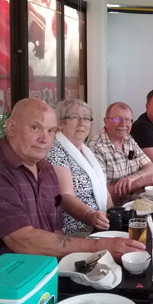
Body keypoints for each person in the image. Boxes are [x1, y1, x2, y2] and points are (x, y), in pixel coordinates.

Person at [0, 98, 145, 304]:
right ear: (11, 128)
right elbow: (23, 241)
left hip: (27, 280)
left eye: (51, 130)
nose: (45, 138)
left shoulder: (44, 168)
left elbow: (55, 232)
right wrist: (101, 246)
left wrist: (93, 262)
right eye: (35, 127)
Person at [46, 99, 113, 236]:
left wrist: (114, 215)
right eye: (75, 117)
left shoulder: (86, 151)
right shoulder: (55, 150)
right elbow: (65, 196)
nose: (82, 123)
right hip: (77, 230)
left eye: (87, 118)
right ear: (60, 123)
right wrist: (90, 215)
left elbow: (102, 188)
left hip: (101, 224)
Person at [87, 102, 153, 199]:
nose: (123, 124)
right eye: (117, 119)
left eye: (127, 120)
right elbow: (100, 192)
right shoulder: (95, 148)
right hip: (114, 208)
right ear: (106, 121)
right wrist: (140, 182)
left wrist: (133, 178)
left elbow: (151, 168)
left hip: (136, 200)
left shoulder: (128, 139)